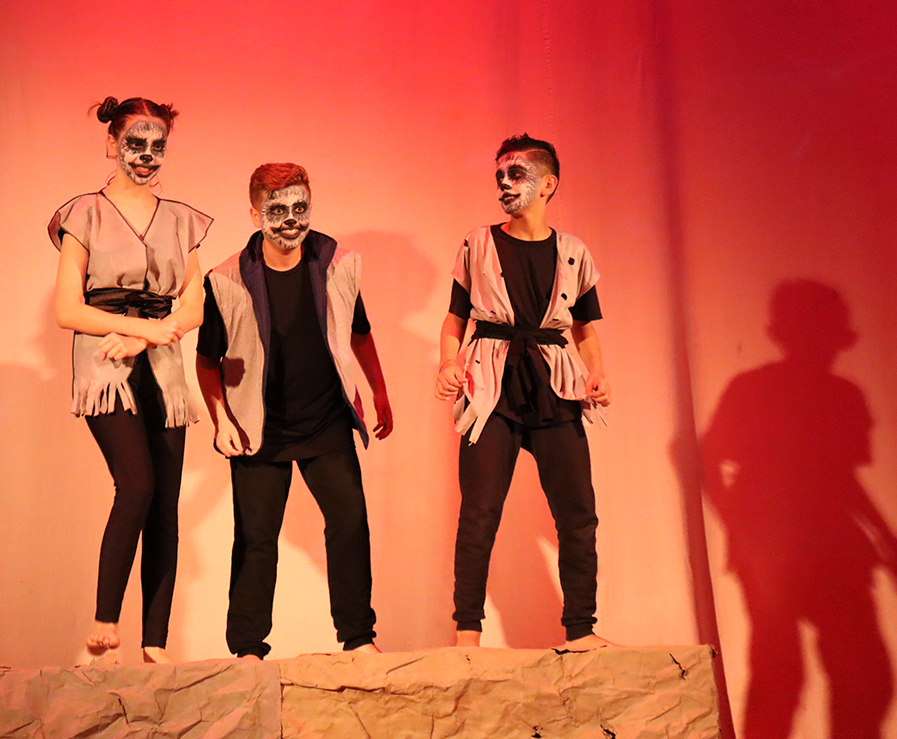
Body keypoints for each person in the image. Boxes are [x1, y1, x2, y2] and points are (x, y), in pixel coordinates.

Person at [195, 162, 392, 660]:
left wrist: (379, 391)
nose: (289, 219)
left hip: (326, 420)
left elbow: (360, 332)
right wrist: (221, 421)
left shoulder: (336, 264)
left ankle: (358, 638)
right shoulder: (226, 280)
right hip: (259, 428)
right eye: (276, 209)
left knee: (350, 523)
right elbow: (206, 362)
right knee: (255, 538)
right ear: (254, 214)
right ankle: (247, 650)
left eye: (299, 207)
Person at [435, 134, 613, 651]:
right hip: (491, 386)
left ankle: (581, 630)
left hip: (554, 386)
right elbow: (454, 319)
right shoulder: (478, 243)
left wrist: (597, 372)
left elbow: (584, 327)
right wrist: (449, 363)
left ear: (548, 184)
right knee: (479, 512)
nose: (505, 185)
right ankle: (467, 635)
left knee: (577, 514)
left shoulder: (573, 252)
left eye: (516, 175)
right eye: (500, 176)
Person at [50, 96, 211, 664]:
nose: (145, 155)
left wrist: (147, 337)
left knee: (164, 504)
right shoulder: (83, 214)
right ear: (111, 144)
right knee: (137, 484)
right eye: (134, 143)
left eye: (156, 145)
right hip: (105, 365)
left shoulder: (181, 219)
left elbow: (193, 305)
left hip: (162, 366)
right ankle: (105, 619)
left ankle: (155, 643)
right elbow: (68, 309)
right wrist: (135, 329)